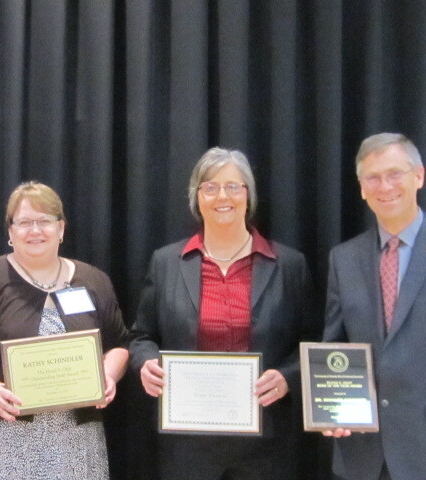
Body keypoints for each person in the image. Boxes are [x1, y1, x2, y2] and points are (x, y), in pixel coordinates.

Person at [129, 147, 318, 480]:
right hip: (187, 439)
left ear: (248, 195)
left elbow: (312, 341)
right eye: (210, 187)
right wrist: (146, 363)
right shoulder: (166, 263)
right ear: (197, 197)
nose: (222, 196)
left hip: (266, 439)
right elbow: (142, 335)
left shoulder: (289, 265)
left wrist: (288, 378)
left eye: (233, 186)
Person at [0, 181, 129, 479]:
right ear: (10, 232)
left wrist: (107, 376)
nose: (35, 230)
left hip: (74, 441)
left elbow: (118, 342)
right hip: (0, 435)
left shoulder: (93, 280)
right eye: (24, 222)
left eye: (44, 221)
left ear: (61, 228)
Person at [322, 133, 426, 480]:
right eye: (372, 177)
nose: (385, 186)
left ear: (419, 176)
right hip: (361, 453)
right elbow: (335, 347)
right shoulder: (343, 259)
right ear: (362, 188)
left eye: (395, 173)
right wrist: (331, 409)